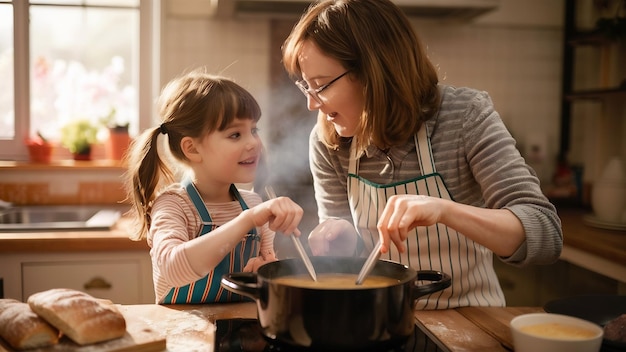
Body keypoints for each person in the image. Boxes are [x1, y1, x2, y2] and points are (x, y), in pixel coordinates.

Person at [282, 0, 562, 309]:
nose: (312, 104)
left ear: (373, 72)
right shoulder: (329, 139)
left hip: (470, 318)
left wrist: (445, 211)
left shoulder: (464, 116)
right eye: (306, 87)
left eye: (320, 86)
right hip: (378, 322)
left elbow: (544, 231)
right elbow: (346, 252)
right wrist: (340, 239)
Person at [124, 70, 304, 304]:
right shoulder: (173, 205)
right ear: (192, 149)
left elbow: (264, 279)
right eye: (235, 134)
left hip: (240, 334)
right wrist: (247, 220)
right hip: (184, 335)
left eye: (254, 130)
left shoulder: (253, 204)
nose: (254, 143)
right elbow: (172, 268)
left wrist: (264, 272)